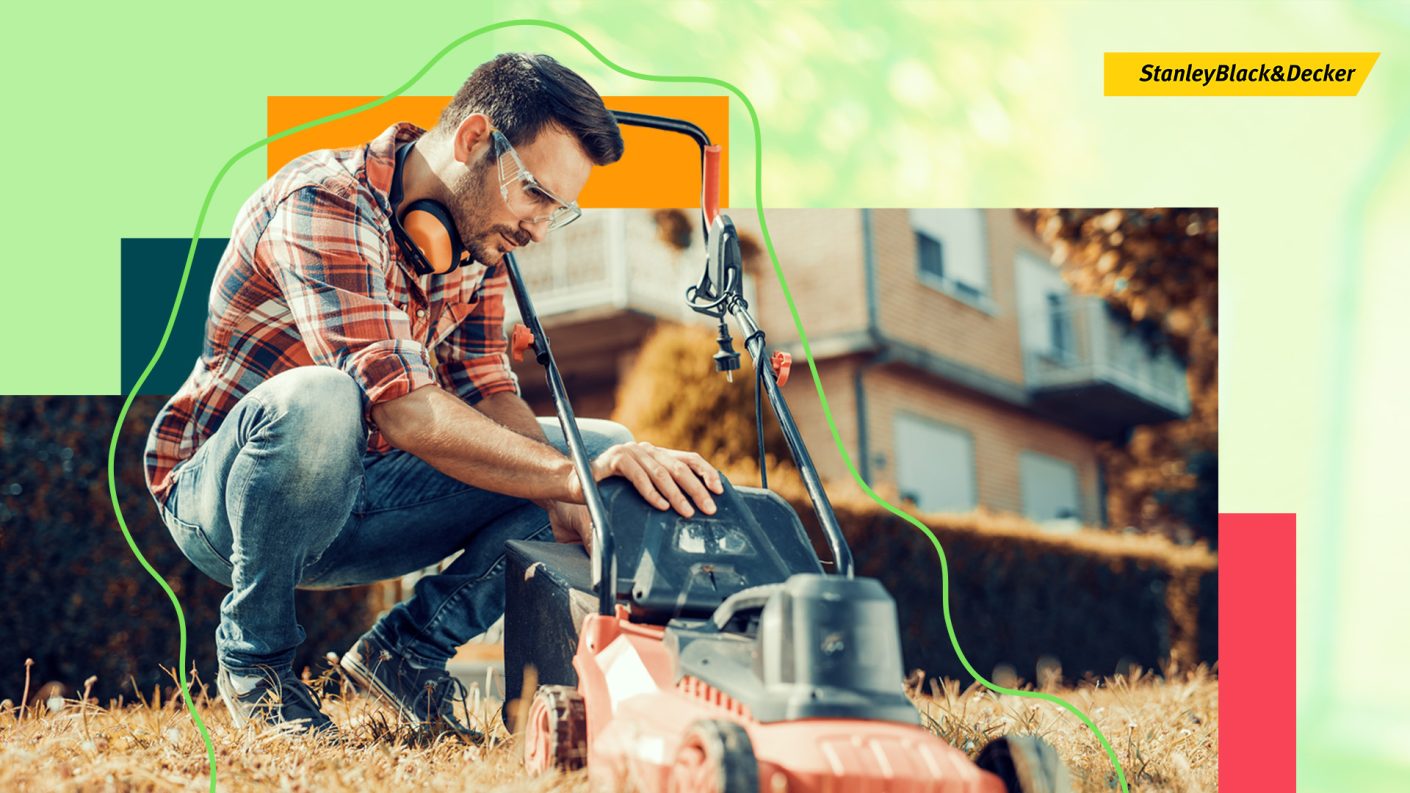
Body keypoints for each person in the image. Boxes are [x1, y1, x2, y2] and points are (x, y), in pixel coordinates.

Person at [142, 52, 722, 739]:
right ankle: (255, 663)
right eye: (535, 193)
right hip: (226, 504)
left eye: (557, 210)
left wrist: (574, 487)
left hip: (370, 498)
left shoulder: (480, 242)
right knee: (324, 399)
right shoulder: (322, 199)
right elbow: (402, 406)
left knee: (601, 450)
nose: (539, 229)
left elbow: (486, 387)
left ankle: (407, 652)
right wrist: (569, 479)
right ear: (475, 138)